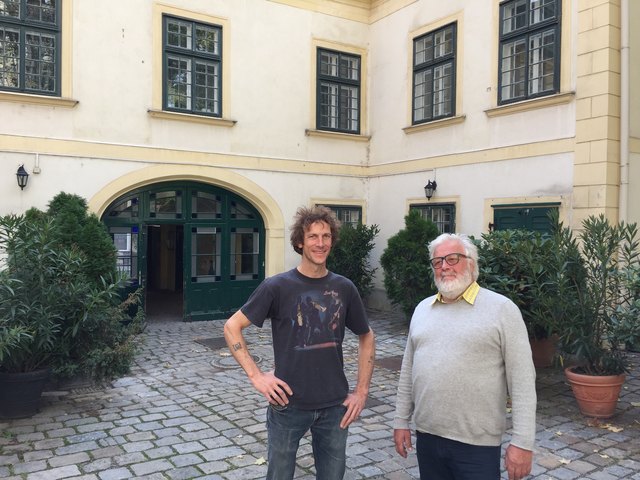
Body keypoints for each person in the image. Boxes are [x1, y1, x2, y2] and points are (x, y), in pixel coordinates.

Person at [224, 205, 376, 480]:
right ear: (299, 242)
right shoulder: (277, 286)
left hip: (334, 406)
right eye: (313, 236)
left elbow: (366, 335)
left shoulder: (344, 287)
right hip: (287, 405)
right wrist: (256, 376)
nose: (321, 243)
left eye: (326, 236)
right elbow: (232, 327)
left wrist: (362, 391)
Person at [393, 233, 536, 480]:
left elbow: (522, 379)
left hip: (477, 446)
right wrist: (400, 421)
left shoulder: (502, 309)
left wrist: (523, 442)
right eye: (437, 262)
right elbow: (408, 371)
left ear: (471, 263)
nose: (444, 266)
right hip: (428, 438)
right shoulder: (422, 309)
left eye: (452, 258)